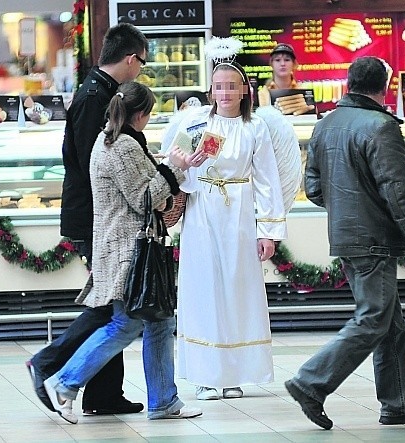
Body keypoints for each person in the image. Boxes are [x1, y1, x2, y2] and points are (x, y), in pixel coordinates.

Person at [284, 56, 405, 430]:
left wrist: (346, 210)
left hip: (346, 237)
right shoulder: (381, 127)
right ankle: (311, 382)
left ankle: (399, 402)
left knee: (391, 322)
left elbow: (314, 189)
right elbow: (397, 193)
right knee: (373, 318)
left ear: (348, 83)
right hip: (374, 240)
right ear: (383, 87)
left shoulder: (325, 125)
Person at [41, 81, 206, 424]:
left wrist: (169, 174)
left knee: (160, 322)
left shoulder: (114, 141)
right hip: (126, 250)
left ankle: (163, 401)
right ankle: (64, 382)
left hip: (130, 247)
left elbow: (150, 193)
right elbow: (146, 198)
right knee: (125, 323)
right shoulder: (123, 146)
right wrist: (175, 169)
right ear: (141, 114)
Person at [26, 22, 149, 417]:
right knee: (106, 306)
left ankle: (103, 395)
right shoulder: (95, 97)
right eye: (141, 63)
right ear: (130, 59)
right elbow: (89, 161)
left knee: (111, 304)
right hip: (96, 218)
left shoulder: (101, 93)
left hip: (102, 216)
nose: (140, 71)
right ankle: (48, 362)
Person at [161, 46, 287, 401]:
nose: (225, 93)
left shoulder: (255, 127)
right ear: (210, 90)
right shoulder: (195, 122)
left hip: (240, 215)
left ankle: (235, 373)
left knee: (238, 290)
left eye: (232, 86)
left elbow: (267, 180)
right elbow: (173, 163)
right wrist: (185, 161)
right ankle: (205, 375)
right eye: (219, 86)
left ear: (244, 90)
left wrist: (269, 231)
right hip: (202, 212)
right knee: (203, 290)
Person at [258, 43, 299, 107]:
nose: (282, 64)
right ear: (271, 64)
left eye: (287, 60)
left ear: (294, 64)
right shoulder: (263, 93)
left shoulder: (303, 90)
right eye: (277, 60)